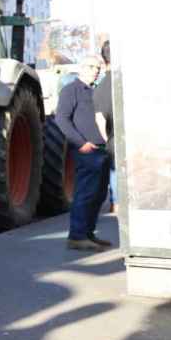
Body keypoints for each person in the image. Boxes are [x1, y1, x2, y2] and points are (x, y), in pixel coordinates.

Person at [55, 56, 112, 252]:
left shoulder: (93, 92)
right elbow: (61, 119)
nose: (95, 70)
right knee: (85, 193)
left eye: (98, 67)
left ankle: (88, 234)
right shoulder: (71, 90)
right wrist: (81, 144)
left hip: (100, 150)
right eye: (91, 66)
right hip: (87, 151)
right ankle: (77, 236)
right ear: (81, 68)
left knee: (98, 194)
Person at [93, 40, 116, 213]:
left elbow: (100, 120)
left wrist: (107, 141)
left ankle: (116, 202)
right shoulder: (123, 83)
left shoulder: (100, 88)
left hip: (113, 144)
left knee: (114, 172)